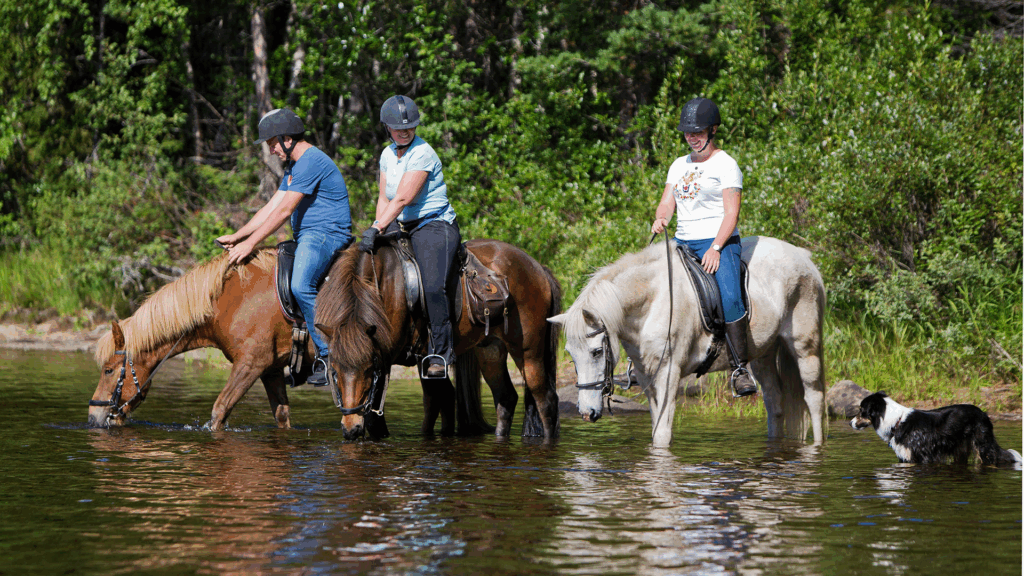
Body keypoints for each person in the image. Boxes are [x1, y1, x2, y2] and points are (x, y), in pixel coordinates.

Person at [217, 108, 352, 386]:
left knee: (301, 285)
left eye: (272, 143)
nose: (271, 150)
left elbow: (283, 212)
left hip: (326, 234)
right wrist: (239, 236)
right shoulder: (294, 166)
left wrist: (250, 244)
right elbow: (272, 205)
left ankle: (328, 356)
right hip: (307, 236)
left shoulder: (310, 162)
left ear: (287, 138)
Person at [650, 97, 758, 397]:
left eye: (697, 132)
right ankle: (644, 362)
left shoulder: (726, 164)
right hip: (682, 242)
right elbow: (666, 202)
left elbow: (732, 213)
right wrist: (661, 219)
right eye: (687, 132)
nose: (691, 137)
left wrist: (716, 247)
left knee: (730, 296)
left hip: (718, 241)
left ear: (712, 131)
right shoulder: (678, 165)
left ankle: (739, 369)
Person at [358, 95, 460, 379]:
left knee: (431, 286)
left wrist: (377, 228)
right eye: (398, 127)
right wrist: (377, 226)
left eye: (410, 126)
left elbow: (403, 197)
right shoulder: (387, 154)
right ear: (387, 128)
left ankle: (441, 352)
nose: (405, 131)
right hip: (398, 223)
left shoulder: (423, 153)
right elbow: (384, 197)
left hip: (433, 224)